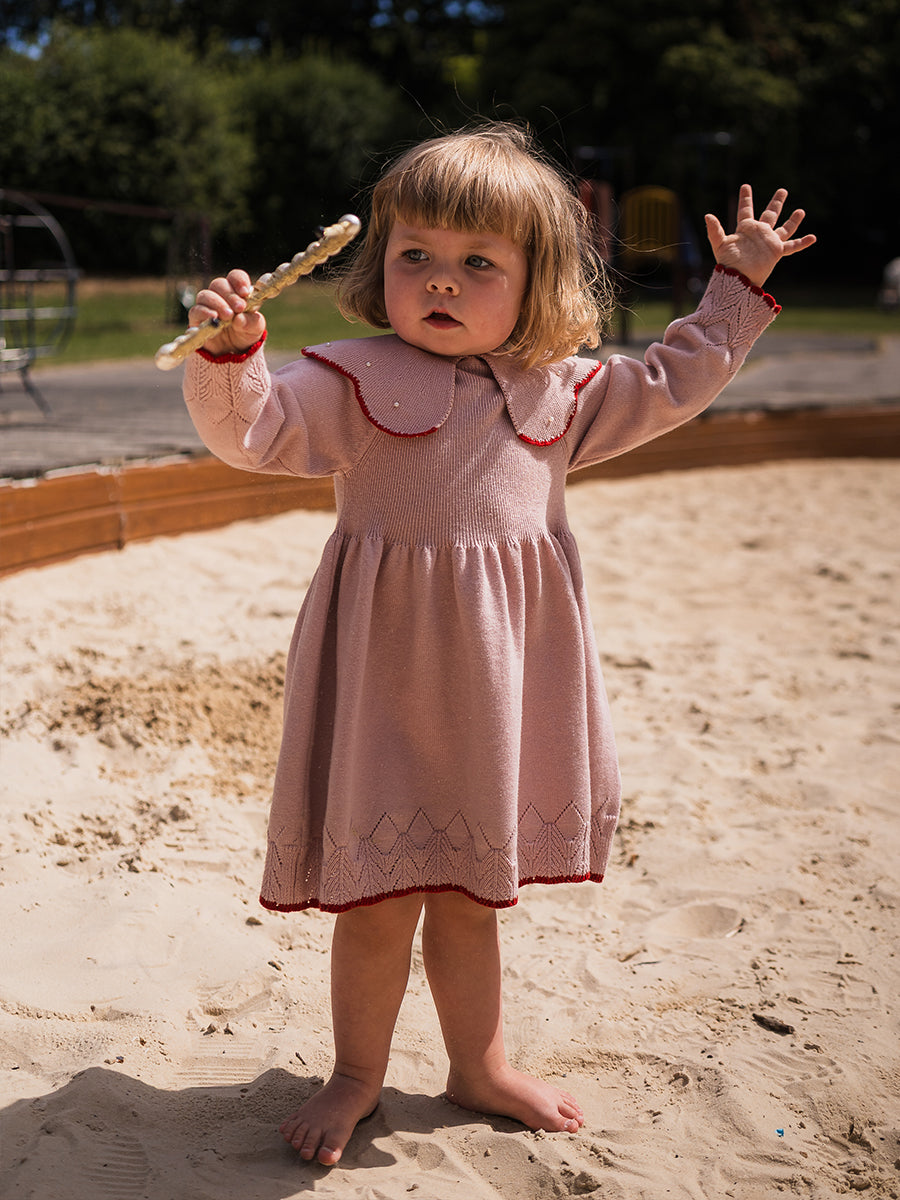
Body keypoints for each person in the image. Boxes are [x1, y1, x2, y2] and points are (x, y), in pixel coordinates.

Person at [181, 122, 815, 1167]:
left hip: (496, 686)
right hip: (383, 681)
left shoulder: (559, 391)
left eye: (479, 262)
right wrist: (228, 357)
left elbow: (672, 382)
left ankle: (478, 1067)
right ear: (380, 264)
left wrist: (735, 291)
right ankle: (356, 1074)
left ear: (537, 281)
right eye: (416, 255)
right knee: (377, 901)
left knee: (471, 896)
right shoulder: (347, 381)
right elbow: (251, 433)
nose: (442, 279)